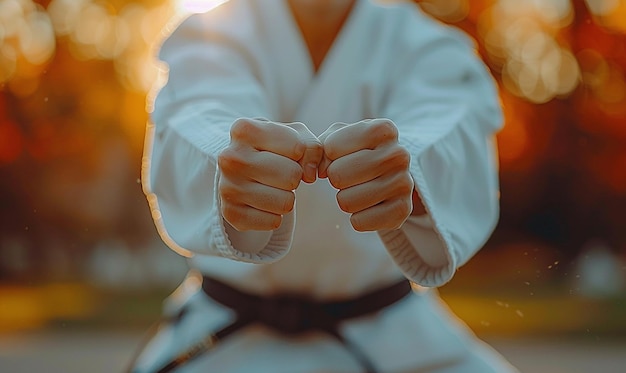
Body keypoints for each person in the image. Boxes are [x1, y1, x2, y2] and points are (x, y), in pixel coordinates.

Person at [131, 0, 519, 372]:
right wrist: (225, 160)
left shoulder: (424, 44)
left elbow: (445, 118)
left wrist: (413, 173)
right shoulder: (210, 32)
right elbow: (200, 110)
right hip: (220, 343)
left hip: (397, 344)